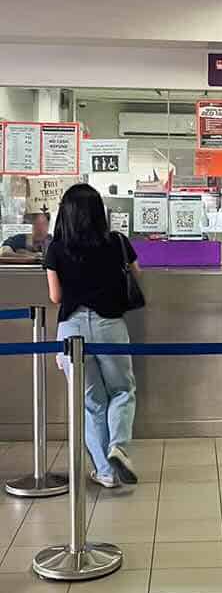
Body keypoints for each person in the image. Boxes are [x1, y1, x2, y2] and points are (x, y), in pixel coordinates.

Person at [43, 184, 139, 488]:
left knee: (91, 402)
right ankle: (118, 447)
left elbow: (56, 297)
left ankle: (105, 472)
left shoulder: (56, 248)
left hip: (72, 330)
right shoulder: (117, 242)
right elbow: (136, 276)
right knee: (121, 391)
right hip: (110, 325)